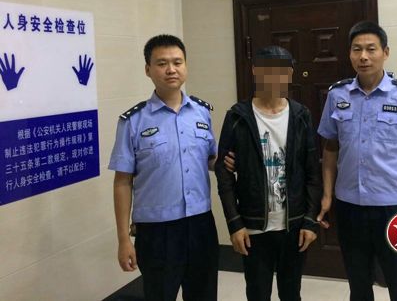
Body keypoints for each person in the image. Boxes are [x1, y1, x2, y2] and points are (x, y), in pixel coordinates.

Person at [316, 21, 397, 301]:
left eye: (371, 49)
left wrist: (390, 173)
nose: (364, 57)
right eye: (357, 49)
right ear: (350, 54)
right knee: (358, 284)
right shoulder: (337, 95)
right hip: (349, 206)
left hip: (394, 209)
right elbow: (330, 148)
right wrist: (328, 195)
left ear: (385, 53)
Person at [108, 34, 219, 301]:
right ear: (148, 70)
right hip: (156, 231)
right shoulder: (133, 121)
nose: (171, 69)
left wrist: (238, 161)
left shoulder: (202, 113)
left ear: (186, 66)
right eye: (162, 63)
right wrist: (123, 239)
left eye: (177, 62)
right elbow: (122, 181)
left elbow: (210, 159)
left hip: (200, 225)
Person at [215, 46, 322, 301]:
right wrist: (234, 223)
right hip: (253, 226)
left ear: (290, 74)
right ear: (255, 71)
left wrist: (310, 221)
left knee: (291, 293)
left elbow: (312, 172)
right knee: (257, 293)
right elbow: (223, 173)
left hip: (294, 225)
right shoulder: (237, 116)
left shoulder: (301, 115)